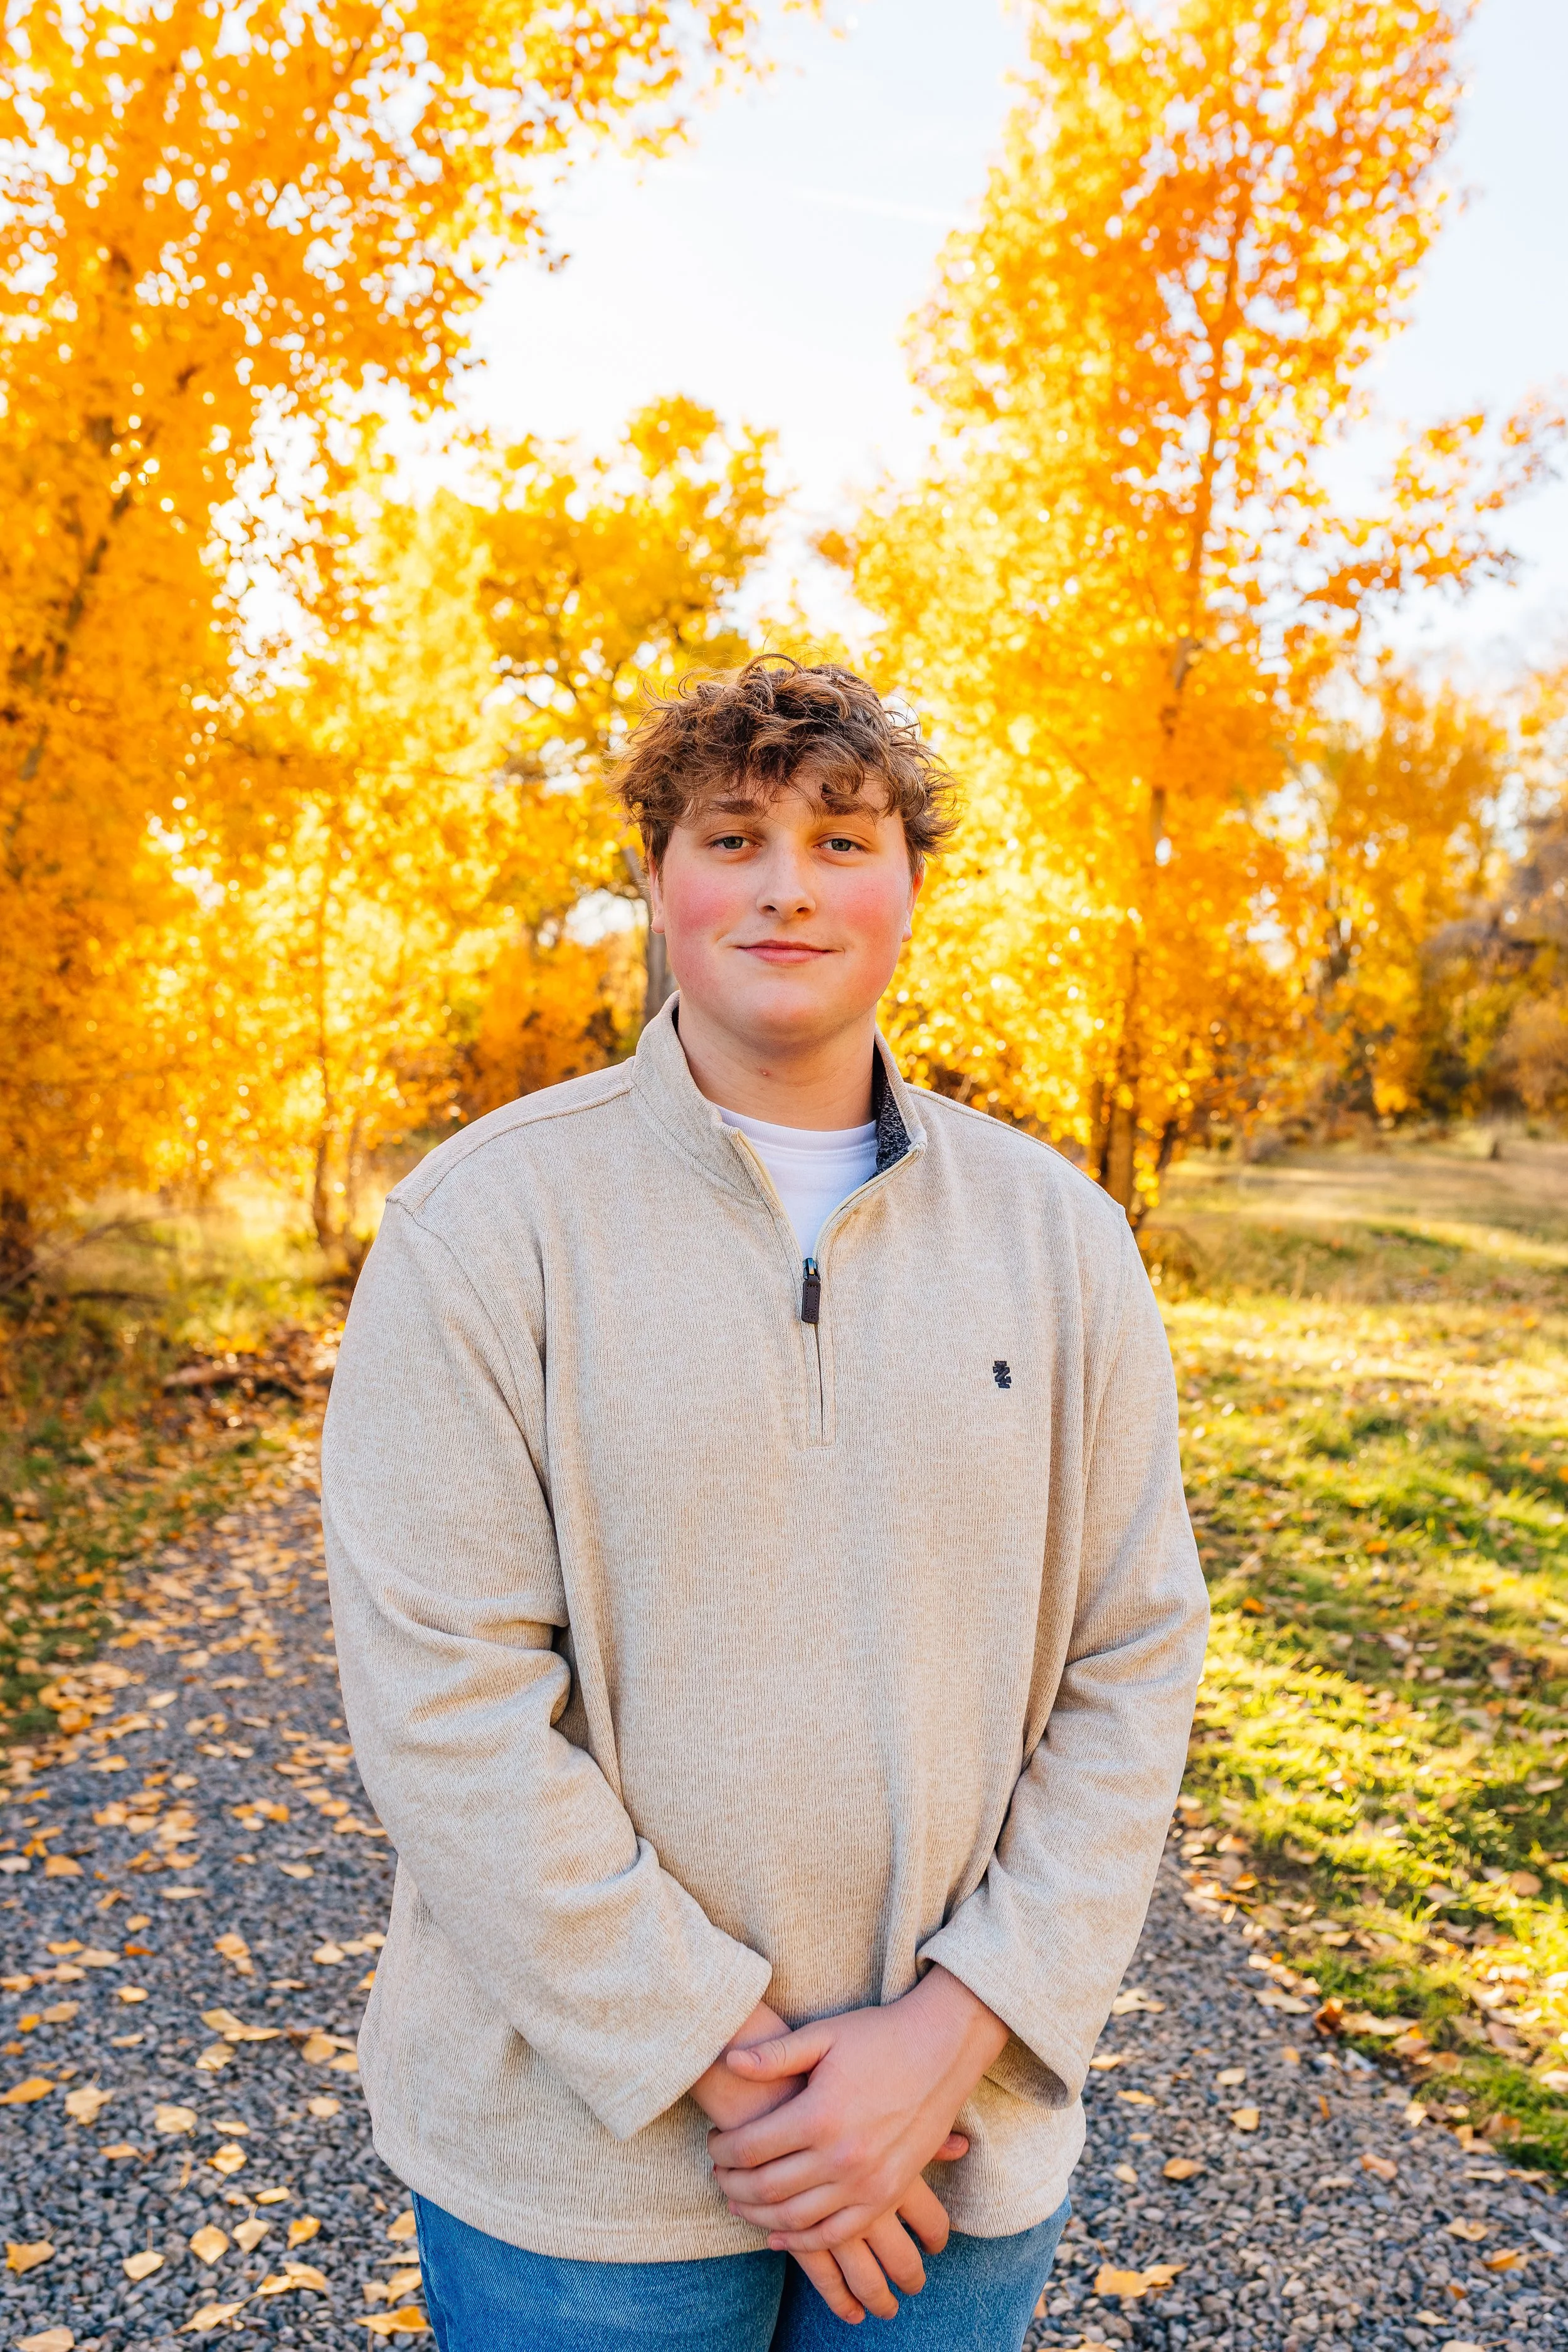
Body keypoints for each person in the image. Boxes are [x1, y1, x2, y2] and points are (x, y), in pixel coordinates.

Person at [321, 657, 1209, 2351]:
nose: (787, 884)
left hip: (953, 2154)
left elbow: (1134, 1650)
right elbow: (446, 1702)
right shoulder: (482, 1226)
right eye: (731, 836)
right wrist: (743, 2070)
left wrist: (948, 2036)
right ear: (657, 878)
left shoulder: (1057, 1238)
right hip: (582, 2186)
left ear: (907, 882)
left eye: (840, 836)